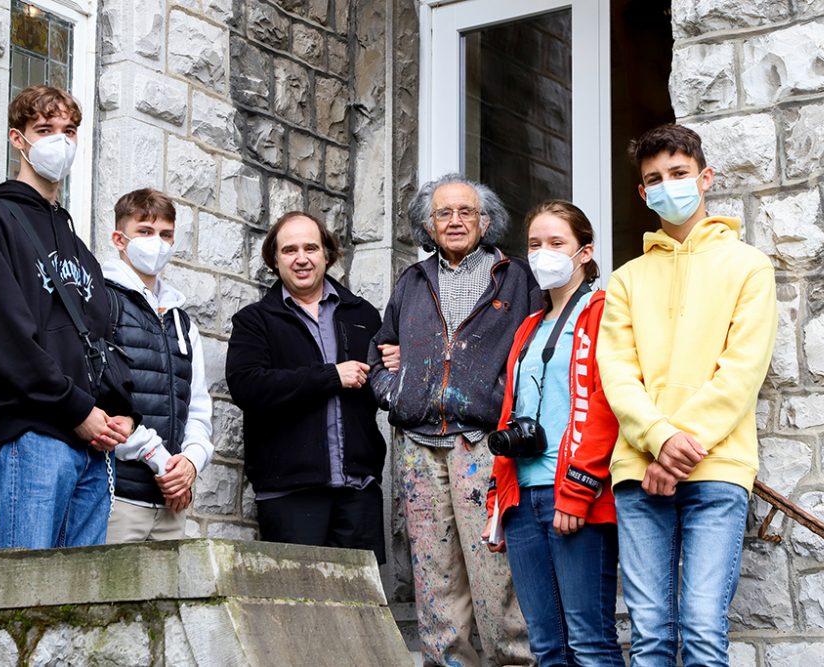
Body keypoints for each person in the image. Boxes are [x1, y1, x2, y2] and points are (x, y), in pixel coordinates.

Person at [597, 124, 777, 666]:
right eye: (655, 179)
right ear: (642, 193)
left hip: (717, 469)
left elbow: (740, 373)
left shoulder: (748, 266)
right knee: (649, 637)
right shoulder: (627, 280)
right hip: (638, 472)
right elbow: (618, 374)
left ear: (705, 178)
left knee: (702, 631)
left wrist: (673, 451)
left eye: (679, 173)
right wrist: (657, 440)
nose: (668, 185)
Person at [368, 174, 540, 667]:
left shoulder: (515, 277)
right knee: (434, 577)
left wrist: (504, 404)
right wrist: (394, 393)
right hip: (419, 444)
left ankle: (515, 662)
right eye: (444, 213)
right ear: (428, 224)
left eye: (466, 211)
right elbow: (379, 353)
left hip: (483, 442)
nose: (456, 220)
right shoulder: (413, 281)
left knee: (495, 573)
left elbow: (531, 354)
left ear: (486, 221)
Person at [0, 85, 136, 550]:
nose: (60, 141)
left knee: (75, 612)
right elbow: (6, 339)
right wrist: (76, 409)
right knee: (19, 602)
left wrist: (119, 414)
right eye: (45, 129)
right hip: (32, 437)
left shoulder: (77, 246)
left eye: (69, 130)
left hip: (92, 448)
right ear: (19, 139)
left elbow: (100, 340)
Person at [485, 200, 623, 666]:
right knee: (546, 648)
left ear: (584, 251)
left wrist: (580, 488)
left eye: (556, 243)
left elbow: (606, 404)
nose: (543, 253)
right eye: (534, 244)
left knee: (590, 643)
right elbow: (512, 408)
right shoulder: (528, 325)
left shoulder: (603, 310)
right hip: (523, 498)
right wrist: (497, 497)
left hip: (575, 495)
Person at [225, 211, 387, 563]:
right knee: (296, 606)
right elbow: (247, 387)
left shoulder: (363, 316)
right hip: (289, 494)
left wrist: (398, 366)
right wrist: (330, 376)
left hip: (358, 491)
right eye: (290, 250)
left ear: (327, 254)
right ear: (274, 259)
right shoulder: (255, 321)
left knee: (361, 609)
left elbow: (384, 390)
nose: (302, 259)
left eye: (311, 248)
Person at [102, 188, 214, 543]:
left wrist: (191, 463)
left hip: (171, 505)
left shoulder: (182, 321)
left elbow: (197, 407)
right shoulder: (103, 303)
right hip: (116, 498)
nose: (158, 243)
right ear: (120, 239)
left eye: (166, 234)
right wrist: (164, 464)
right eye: (145, 232)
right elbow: (101, 403)